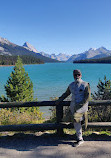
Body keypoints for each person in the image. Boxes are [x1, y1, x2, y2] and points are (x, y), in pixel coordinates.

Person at [56, 69, 90, 147]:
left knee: (76, 120)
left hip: (82, 108)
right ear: (73, 76)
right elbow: (66, 93)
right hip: (73, 107)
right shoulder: (71, 85)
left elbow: (87, 97)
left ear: (81, 75)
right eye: (75, 75)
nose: (77, 76)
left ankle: (80, 139)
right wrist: (59, 100)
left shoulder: (85, 84)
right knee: (74, 121)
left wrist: (80, 106)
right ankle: (79, 137)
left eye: (78, 74)